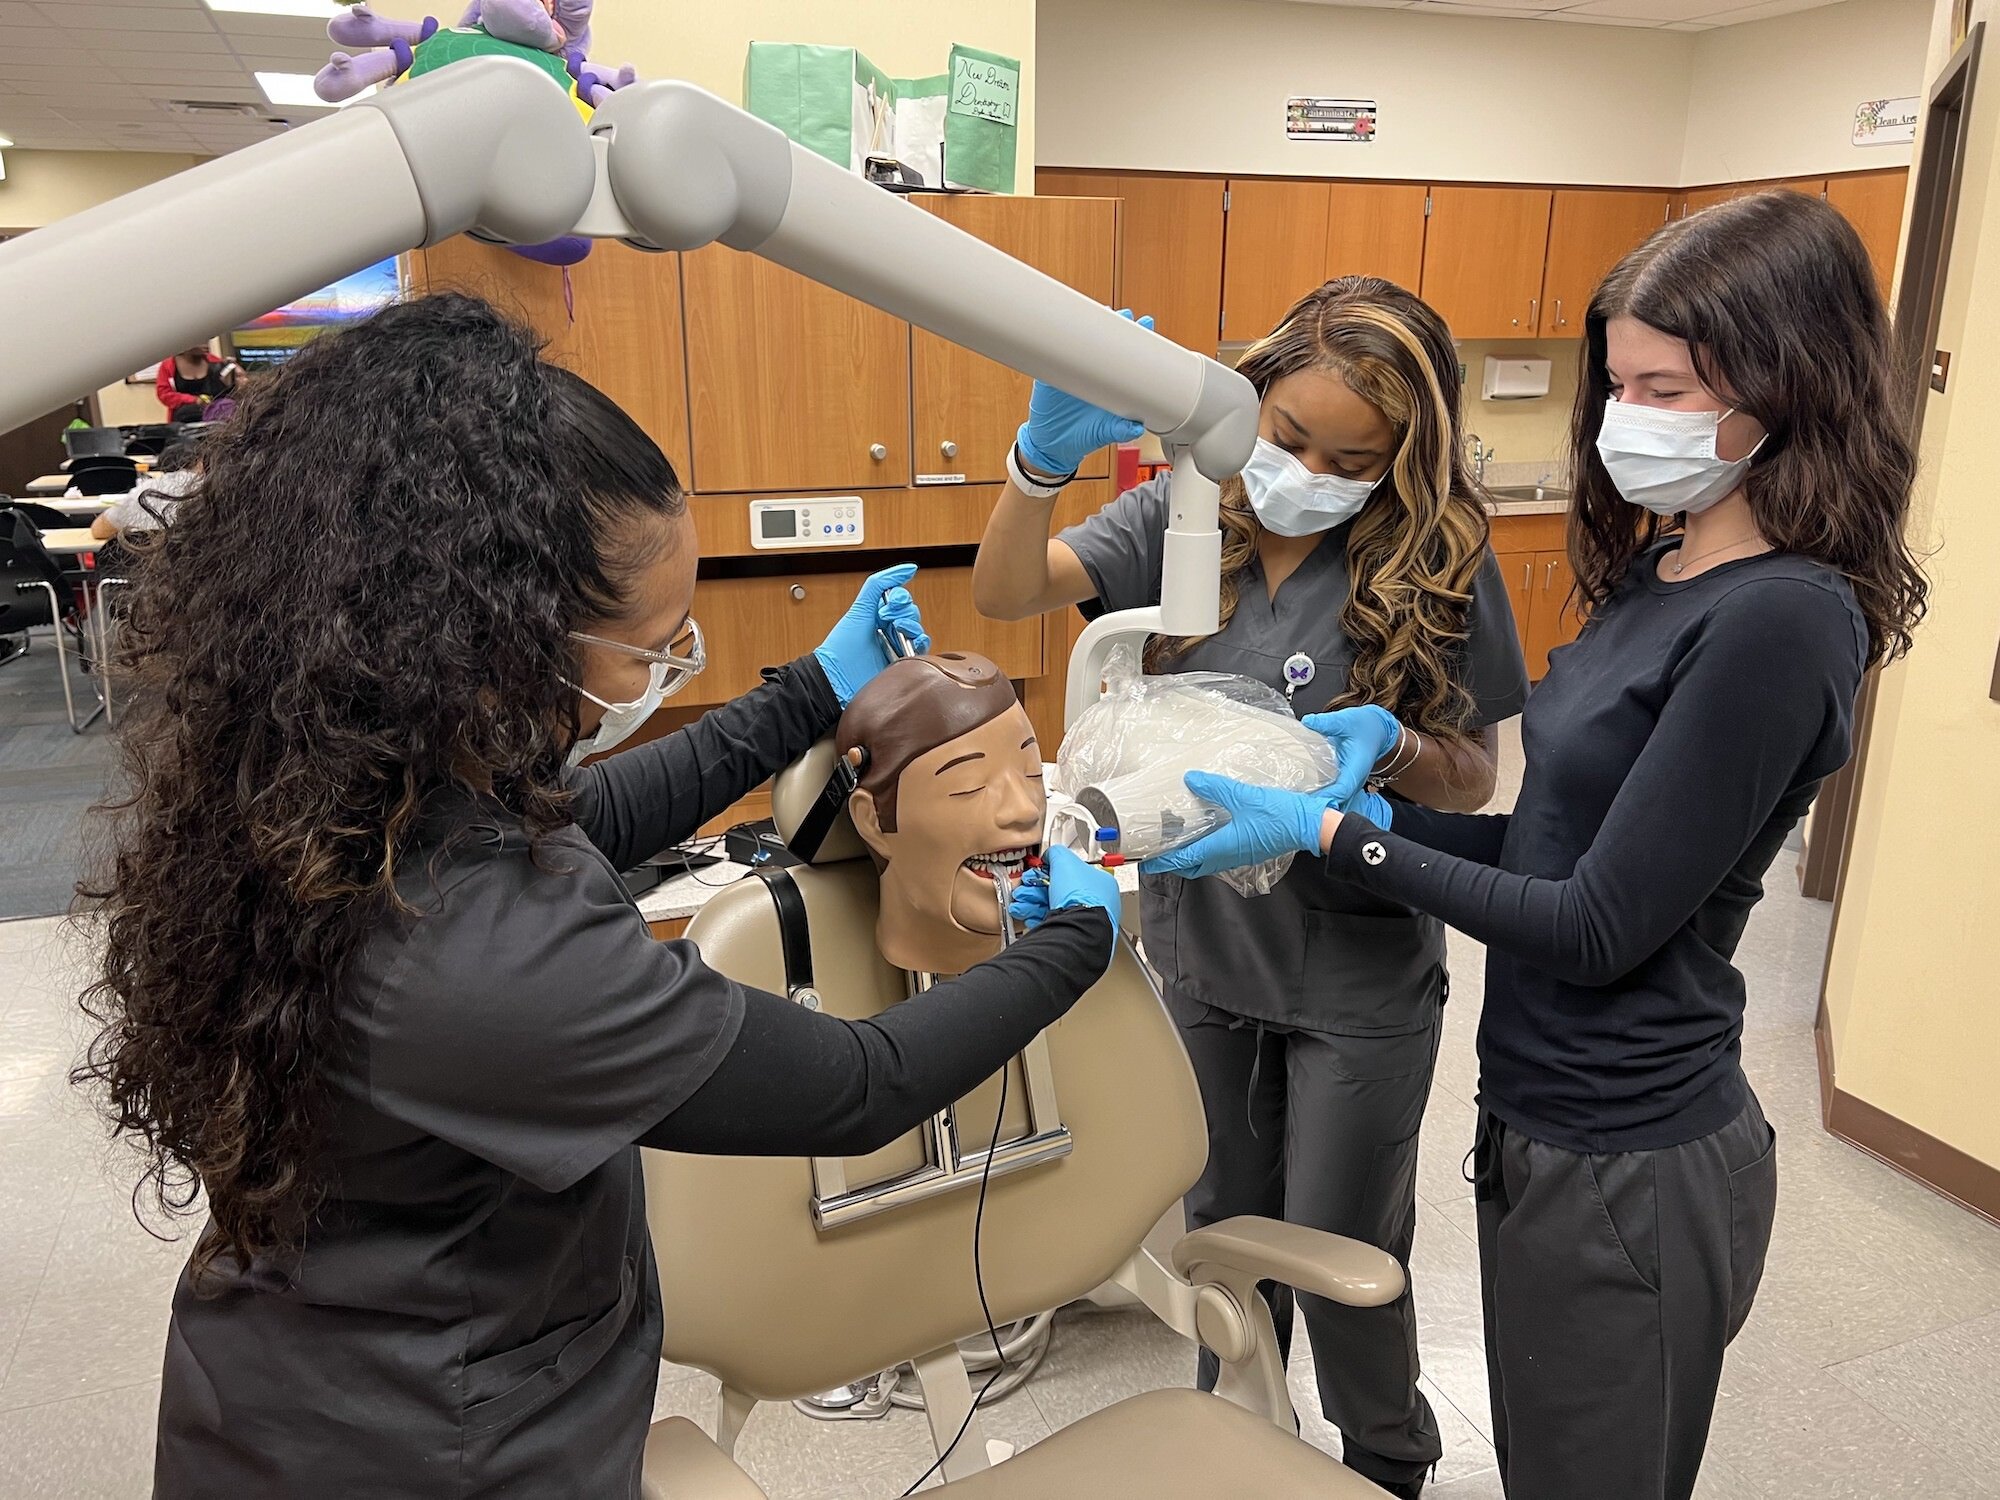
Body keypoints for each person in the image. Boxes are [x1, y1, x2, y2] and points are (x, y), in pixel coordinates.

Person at [74, 292, 1121, 1498]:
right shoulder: (484, 968)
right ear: (492, 636)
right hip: (419, 1448)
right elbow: (855, 1088)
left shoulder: (340, 772)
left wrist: (803, 697)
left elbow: (577, 821)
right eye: (652, 646)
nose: (668, 670)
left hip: (325, 1358)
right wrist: (1070, 943)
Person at [1148, 192, 1926, 1500]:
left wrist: (1338, 835)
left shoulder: (1781, 620)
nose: (1627, 414)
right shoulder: (1665, 573)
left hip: (1633, 1153)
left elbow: (1599, 924)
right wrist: (1389, 780)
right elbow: (1546, 840)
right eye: (1619, 380)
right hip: (1535, 1124)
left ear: (1788, 384)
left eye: (1665, 385)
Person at [973, 278, 1529, 1498]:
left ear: (1401, 459)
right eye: (1287, 437)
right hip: (1203, 955)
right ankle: (1234, 1441)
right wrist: (1032, 464)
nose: (1308, 471)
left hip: (1356, 970)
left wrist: (1384, 745)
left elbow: (1476, 776)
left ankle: (1386, 1461)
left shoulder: (1434, 559)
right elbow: (1006, 590)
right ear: (1247, 401)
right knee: (1222, 1231)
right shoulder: (1186, 516)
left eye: (1352, 457)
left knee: (1341, 1247)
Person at [88, 441, 198, 542]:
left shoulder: (144, 490)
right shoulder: (207, 487)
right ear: (201, 463)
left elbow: (98, 531)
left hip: (145, 561)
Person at [153, 342, 240, 422]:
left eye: (207, 340)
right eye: (200, 341)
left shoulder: (216, 362)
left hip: (214, 421)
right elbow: (164, 394)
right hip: (183, 423)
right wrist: (194, 400)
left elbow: (229, 392)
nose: (206, 344)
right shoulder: (168, 366)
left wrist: (233, 374)